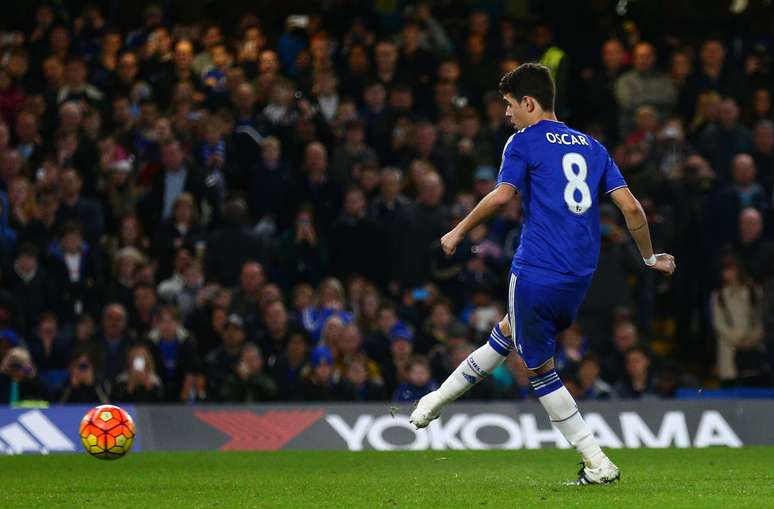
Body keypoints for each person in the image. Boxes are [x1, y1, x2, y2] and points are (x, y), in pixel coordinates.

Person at [410, 63, 676, 485]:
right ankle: (434, 401)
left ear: (529, 103)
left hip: (536, 268)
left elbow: (502, 197)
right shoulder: (593, 146)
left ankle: (597, 462)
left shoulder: (523, 141)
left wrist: (458, 230)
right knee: (507, 332)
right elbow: (632, 209)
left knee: (539, 370)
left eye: (509, 104)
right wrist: (648, 258)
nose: (506, 113)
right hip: (578, 276)